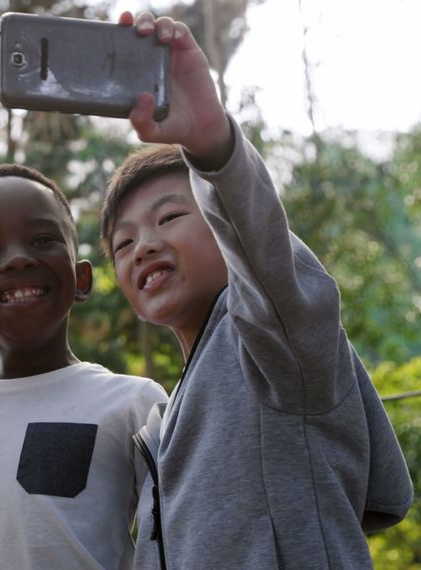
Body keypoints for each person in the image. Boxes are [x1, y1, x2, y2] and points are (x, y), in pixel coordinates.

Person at [99, 11, 414, 569]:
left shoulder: (275, 348)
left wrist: (211, 143)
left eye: (170, 216)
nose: (144, 245)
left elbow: (266, 258)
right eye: (123, 245)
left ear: (224, 227)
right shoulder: (165, 423)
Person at [0, 162, 169, 569]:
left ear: (82, 278)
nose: (16, 260)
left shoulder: (136, 403)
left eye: (43, 239)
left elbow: (177, 542)